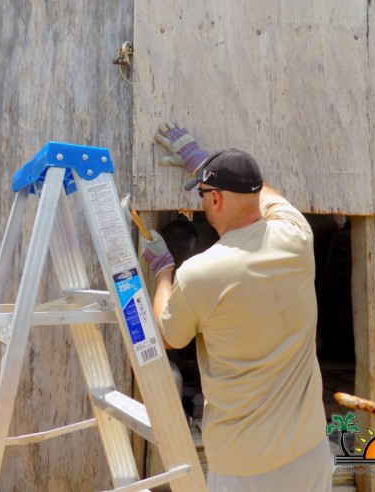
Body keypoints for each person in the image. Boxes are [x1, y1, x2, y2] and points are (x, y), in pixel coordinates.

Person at [141, 122, 332, 491]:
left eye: (203, 194)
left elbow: (167, 337)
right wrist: (205, 166)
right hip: (308, 451)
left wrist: (164, 272)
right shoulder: (296, 235)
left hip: (243, 463)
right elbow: (268, 195)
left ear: (215, 200)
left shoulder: (199, 273)